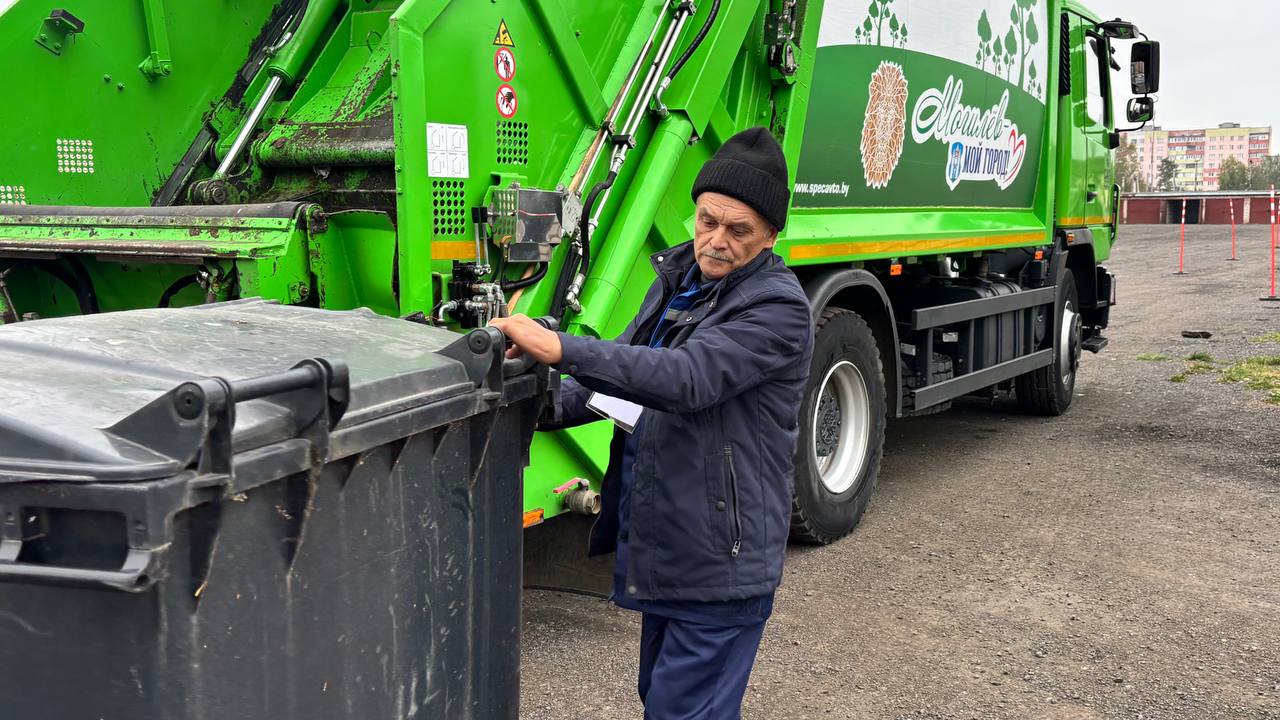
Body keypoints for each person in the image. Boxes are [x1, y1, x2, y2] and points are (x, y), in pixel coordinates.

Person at [491, 127, 813, 719]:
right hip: (671, 548)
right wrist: (530, 402)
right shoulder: (680, 280)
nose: (715, 241)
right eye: (706, 220)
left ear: (770, 234)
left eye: (737, 230)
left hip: (722, 561)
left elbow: (684, 378)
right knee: (666, 705)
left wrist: (559, 345)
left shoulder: (778, 308)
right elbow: (624, 384)